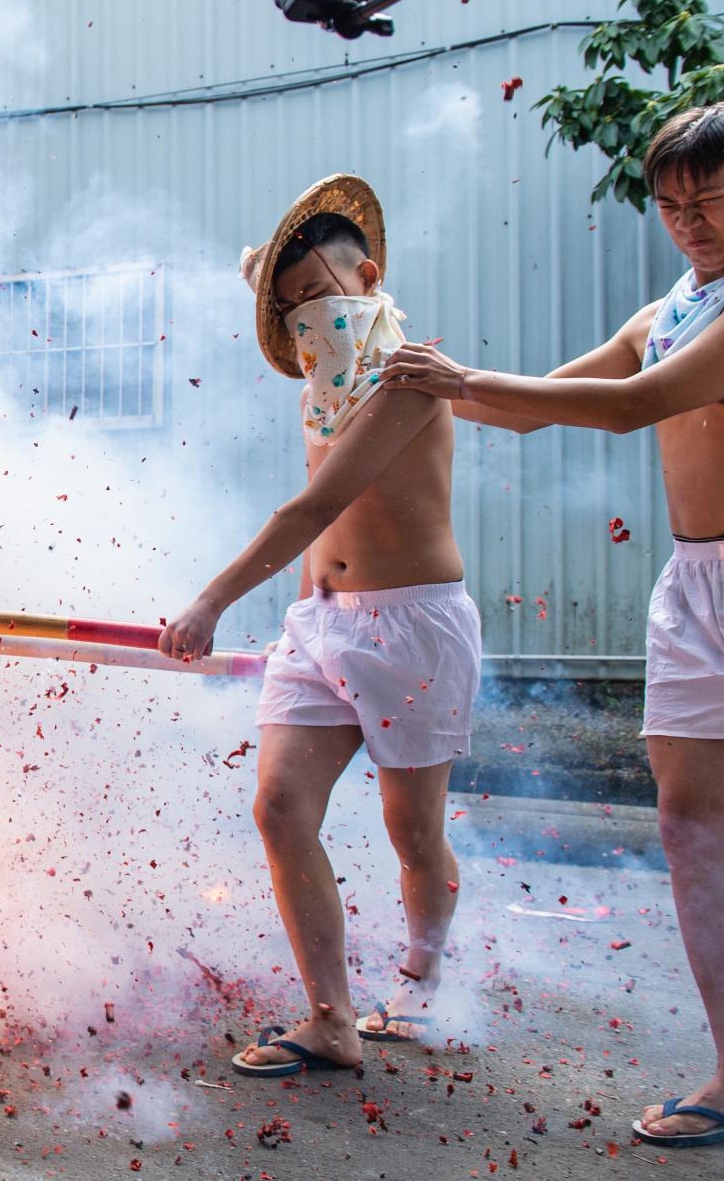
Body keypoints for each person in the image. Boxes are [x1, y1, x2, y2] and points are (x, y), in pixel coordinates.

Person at [382, 102, 724, 1149]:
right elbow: (536, 403)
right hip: (691, 585)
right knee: (692, 829)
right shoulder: (671, 304)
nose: (686, 220)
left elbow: (638, 405)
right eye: (671, 203)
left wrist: (461, 383)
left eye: (709, 199)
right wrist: (403, 375)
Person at [156, 176, 481, 1078]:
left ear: (366, 276)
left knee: (412, 831)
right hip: (323, 621)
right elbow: (325, 535)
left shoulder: (412, 374)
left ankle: (421, 978)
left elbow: (315, 504)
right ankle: (330, 1019)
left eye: (316, 295)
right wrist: (304, 618)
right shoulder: (321, 391)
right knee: (280, 807)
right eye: (290, 307)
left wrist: (211, 600)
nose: (306, 319)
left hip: (414, 625)